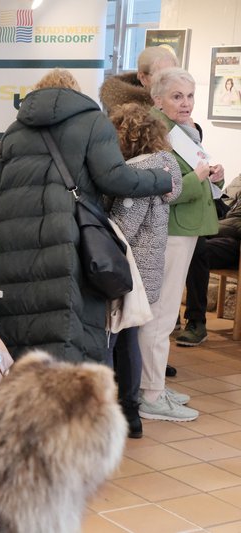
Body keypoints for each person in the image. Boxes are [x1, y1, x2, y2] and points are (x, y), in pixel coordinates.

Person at [0, 69, 172, 365]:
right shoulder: (92, 122)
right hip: (66, 239)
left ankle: (23, 402)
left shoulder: (13, 131)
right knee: (65, 325)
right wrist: (159, 180)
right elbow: (115, 179)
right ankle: (68, 403)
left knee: (18, 324)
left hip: (12, 245)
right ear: (74, 91)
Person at [137, 67, 226, 422]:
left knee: (164, 313)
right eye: (177, 96)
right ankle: (150, 393)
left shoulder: (181, 130)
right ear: (157, 99)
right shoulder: (157, 132)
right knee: (159, 316)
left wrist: (212, 176)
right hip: (169, 231)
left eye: (189, 96)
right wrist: (197, 178)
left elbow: (190, 175)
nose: (186, 103)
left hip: (185, 229)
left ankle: (154, 384)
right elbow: (159, 188)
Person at [107, 102, 183, 438]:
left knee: (118, 341)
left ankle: (124, 412)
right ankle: (130, 414)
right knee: (130, 338)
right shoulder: (163, 171)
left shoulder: (138, 177)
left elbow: (124, 226)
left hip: (129, 270)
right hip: (147, 269)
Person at [176, 190, 241, 347]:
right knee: (177, 243)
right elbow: (228, 212)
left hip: (235, 242)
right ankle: (169, 315)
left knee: (197, 251)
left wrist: (218, 226)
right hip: (218, 231)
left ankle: (196, 321)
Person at [100, 46, 178, 114]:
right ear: (143, 78)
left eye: (173, 76)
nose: (169, 82)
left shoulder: (179, 103)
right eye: (162, 77)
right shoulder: (128, 114)